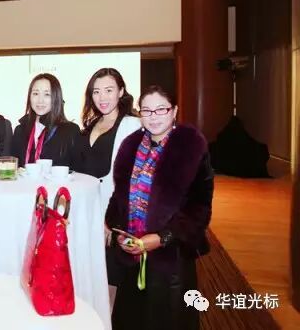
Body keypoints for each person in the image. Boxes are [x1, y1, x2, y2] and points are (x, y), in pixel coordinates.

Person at [104, 85, 214, 330]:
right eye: (146, 110)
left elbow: (199, 208)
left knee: (168, 320)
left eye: (161, 109)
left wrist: (162, 238)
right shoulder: (131, 145)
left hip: (172, 255)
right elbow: (119, 197)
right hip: (134, 253)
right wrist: (118, 230)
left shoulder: (191, 147)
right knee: (131, 319)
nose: (153, 117)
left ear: (174, 111)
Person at [71, 68, 140, 208]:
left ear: (120, 92)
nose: (102, 98)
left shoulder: (133, 125)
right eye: (96, 92)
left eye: (109, 90)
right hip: (84, 204)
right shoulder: (90, 126)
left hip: (113, 207)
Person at [11, 73, 79, 167]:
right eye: (36, 93)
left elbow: (77, 170)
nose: (40, 100)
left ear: (56, 97)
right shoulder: (20, 130)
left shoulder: (70, 131)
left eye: (47, 94)